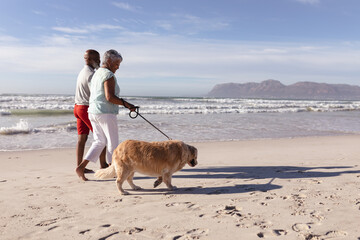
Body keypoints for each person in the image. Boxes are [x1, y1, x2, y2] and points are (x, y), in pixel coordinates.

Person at [76, 49, 136, 181]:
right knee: (112, 143)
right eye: (116, 64)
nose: (118, 67)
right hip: (105, 113)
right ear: (109, 61)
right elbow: (110, 97)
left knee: (99, 141)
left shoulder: (97, 73)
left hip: (93, 111)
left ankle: (81, 167)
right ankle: (113, 169)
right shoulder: (108, 74)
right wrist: (128, 105)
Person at [74, 49, 107, 173]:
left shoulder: (82, 72)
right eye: (97, 59)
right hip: (86, 108)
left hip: (77, 107)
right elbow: (97, 94)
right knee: (102, 138)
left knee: (82, 139)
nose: (99, 61)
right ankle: (103, 165)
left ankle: (79, 166)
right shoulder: (92, 74)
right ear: (90, 59)